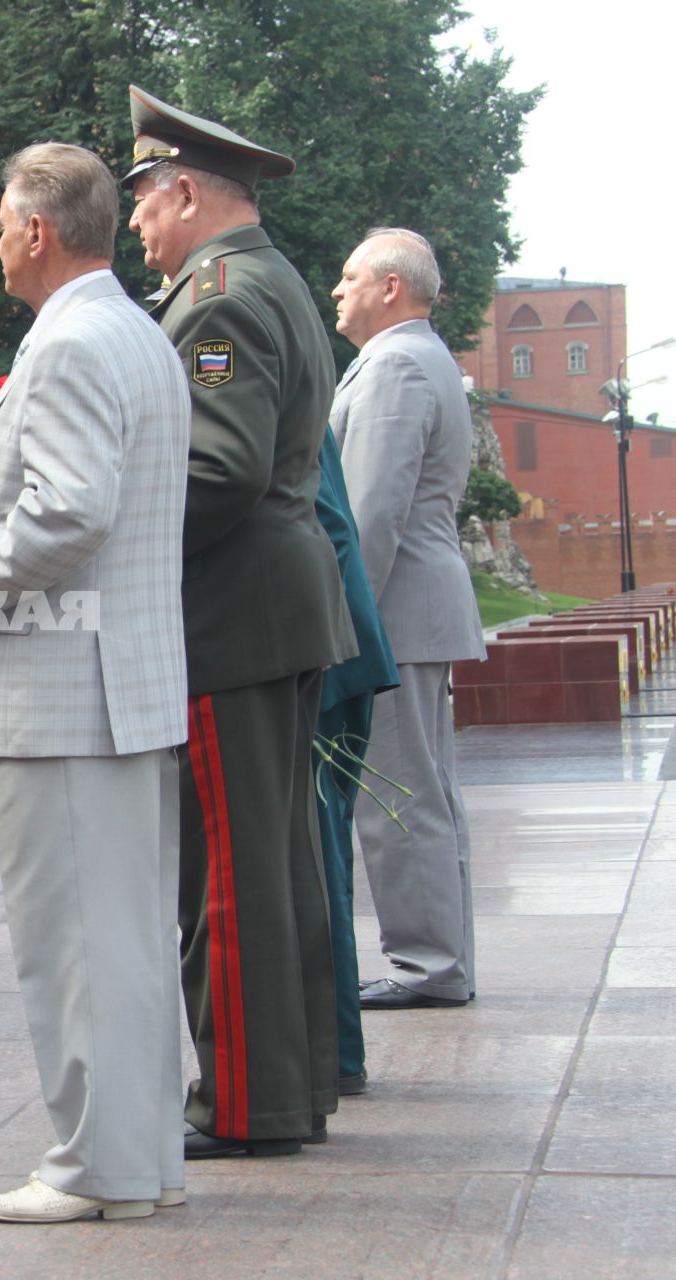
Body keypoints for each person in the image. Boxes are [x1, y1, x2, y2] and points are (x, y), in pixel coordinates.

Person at [0, 142, 190, 1223]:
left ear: (38, 231)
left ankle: (93, 1166)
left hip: (70, 689)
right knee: (118, 943)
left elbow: (71, 511)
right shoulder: (131, 329)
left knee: (74, 946)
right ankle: (137, 1160)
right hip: (117, 682)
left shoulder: (72, 341)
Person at [121, 86, 358, 1158]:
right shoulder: (262, 278)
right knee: (273, 863)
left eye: (143, 200)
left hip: (232, 611)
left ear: (183, 189)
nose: (135, 222)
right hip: (273, 605)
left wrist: (113, 539)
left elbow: (218, 470)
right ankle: (291, 1085)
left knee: (228, 876)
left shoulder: (216, 296)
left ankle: (249, 1102)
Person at [329, 228, 486, 1010]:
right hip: (416, 608)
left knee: (396, 795)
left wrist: (341, 621)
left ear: (392, 288)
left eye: (351, 277)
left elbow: (370, 513)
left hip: (394, 610)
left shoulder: (395, 364)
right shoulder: (417, 357)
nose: (338, 290)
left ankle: (427, 964)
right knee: (422, 790)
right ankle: (439, 959)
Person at [312, 432, 399, 1095]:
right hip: (330, 638)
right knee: (319, 855)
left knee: (313, 860)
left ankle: (332, 1051)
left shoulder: (221, 328)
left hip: (315, 649)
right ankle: (330, 1049)